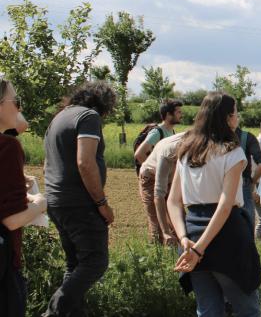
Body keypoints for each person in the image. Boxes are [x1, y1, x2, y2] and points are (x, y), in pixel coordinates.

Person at [166, 92, 261, 317]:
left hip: (192, 234)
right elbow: (225, 205)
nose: (237, 119)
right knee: (247, 310)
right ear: (228, 118)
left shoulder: (186, 151)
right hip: (227, 236)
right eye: (236, 114)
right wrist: (199, 249)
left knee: (208, 310)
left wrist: (185, 240)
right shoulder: (233, 153)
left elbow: (173, 201)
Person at [43, 81, 117, 317]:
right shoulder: (88, 116)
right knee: (95, 262)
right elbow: (85, 162)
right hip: (80, 204)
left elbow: (47, 165)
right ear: (103, 103)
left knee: (75, 265)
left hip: (56, 201)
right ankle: (52, 313)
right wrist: (101, 204)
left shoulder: (59, 117)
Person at [0, 78, 47, 316]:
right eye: (16, 101)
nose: (19, 108)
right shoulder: (7, 147)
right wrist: (40, 204)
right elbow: (12, 220)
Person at [134, 99, 183, 244]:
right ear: (168, 115)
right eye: (178, 112)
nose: (181, 115)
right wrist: (155, 172)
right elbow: (139, 154)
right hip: (151, 179)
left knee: (173, 216)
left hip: (165, 180)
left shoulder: (171, 132)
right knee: (156, 220)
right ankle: (156, 256)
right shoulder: (158, 132)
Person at [141, 131, 186, 246]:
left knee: (179, 220)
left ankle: (179, 253)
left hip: (170, 179)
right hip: (150, 178)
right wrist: (166, 232)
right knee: (157, 225)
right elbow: (158, 195)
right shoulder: (167, 153)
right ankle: (156, 256)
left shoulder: (198, 139)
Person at [236, 123, 261, 235]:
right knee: (247, 223)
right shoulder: (247, 137)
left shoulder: (210, 136)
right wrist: (253, 182)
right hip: (244, 184)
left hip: (218, 186)